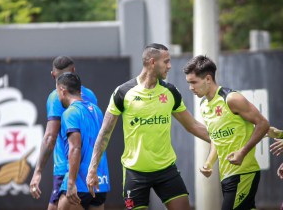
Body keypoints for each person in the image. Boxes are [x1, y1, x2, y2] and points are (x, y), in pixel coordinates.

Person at [86, 43, 210, 210]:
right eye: (166, 62)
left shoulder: (170, 91)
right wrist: (92, 169)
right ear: (152, 62)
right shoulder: (123, 92)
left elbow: (193, 125)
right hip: (135, 173)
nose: (169, 66)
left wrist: (222, 140)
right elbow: (105, 133)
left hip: (166, 170)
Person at [183, 55, 270, 210]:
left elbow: (263, 124)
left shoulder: (231, 98)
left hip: (244, 172)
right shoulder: (204, 105)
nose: (190, 88)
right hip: (227, 175)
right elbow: (216, 140)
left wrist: (242, 153)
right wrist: (209, 163)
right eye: (189, 83)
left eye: (193, 82)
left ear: (208, 79)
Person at [29, 56, 98, 210]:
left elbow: (50, 137)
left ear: (53, 75)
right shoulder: (91, 97)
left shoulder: (56, 97)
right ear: (73, 71)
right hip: (93, 170)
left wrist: (38, 171)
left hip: (67, 169)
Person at [56, 72, 110, 210]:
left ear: (62, 90)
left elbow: (75, 148)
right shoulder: (96, 110)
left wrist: (71, 183)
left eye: (57, 91)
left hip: (80, 183)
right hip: (100, 182)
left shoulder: (70, 113)